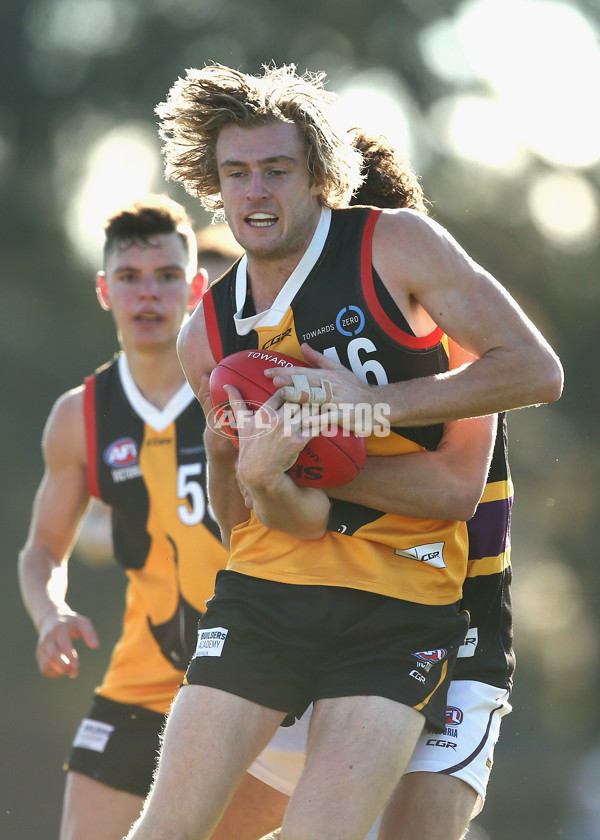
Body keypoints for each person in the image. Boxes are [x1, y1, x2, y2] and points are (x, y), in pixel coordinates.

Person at [124, 63, 561, 840]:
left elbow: (504, 416)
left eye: (278, 171)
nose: (256, 192)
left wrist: (365, 413)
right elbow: (255, 526)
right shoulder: (211, 337)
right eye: (237, 173)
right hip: (275, 602)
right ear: (212, 184)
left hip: (436, 617)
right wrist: (248, 470)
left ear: (326, 181)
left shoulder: (411, 276)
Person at [17, 196, 295, 840]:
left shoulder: (244, 389)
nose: (149, 295)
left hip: (253, 678)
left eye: (167, 277)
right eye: (130, 278)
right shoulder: (78, 417)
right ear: (103, 290)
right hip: (142, 682)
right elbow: (40, 553)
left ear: (197, 285)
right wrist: (49, 613)